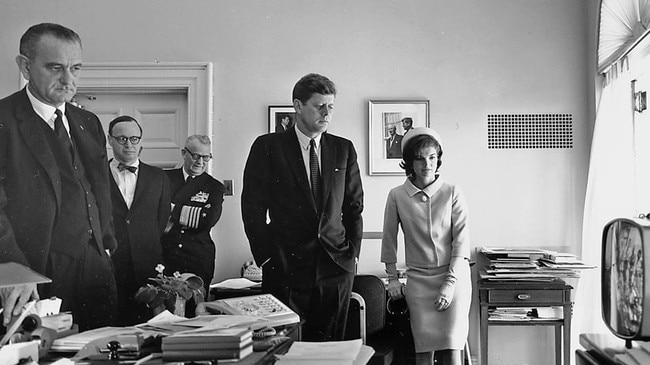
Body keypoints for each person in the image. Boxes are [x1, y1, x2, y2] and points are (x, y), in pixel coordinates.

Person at [0, 23, 118, 330]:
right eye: (56, 68)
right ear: (25, 66)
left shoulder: (87, 121)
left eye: (75, 68)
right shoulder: (3, 121)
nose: (69, 80)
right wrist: (12, 272)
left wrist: (106, 244)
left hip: (96, 270)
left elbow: (100, 188)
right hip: (33, 274)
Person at [242, 73, 364, 341]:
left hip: (335, 267)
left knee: (331, 352)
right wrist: (265, 257)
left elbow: (354, 208)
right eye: (319, 105)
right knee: (286, 350)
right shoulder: (268, 146)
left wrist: (352, 256)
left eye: (330, 106)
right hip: (286, 267)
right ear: (298, 106)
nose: (327, 113)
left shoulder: (343, 149)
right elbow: (252, 207)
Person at [381, 127, 471, 365]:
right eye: (419, 158)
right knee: (422, 352)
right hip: (419, 281)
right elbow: (389, 239)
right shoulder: (397, 195)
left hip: (453, 279)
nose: (427, 164)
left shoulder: (453, 192)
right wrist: (392, 278)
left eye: (432, 157)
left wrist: (450, 285)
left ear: (438, 158)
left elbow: (461, 242)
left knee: (452, 349)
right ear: (409, 161)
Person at [107, 115, 171, 325]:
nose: (129, 144)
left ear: (141, 141)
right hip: (109, 267)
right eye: (122, 139)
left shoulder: (158, 177)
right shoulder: (96, 175)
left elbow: (160, 221)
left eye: (134, 139)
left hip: (148, 267)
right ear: (110, 140)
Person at [161, 135, 225, 294]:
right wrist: (194, 213)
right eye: (195, 156)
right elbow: (152, 214)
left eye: (206, 157)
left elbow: (208, 220)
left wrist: (170, 209)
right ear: (184, 153)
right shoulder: (163, 178)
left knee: (194, 308)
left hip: (197, 256)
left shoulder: (214, 187)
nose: (200, 162)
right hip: (166, 254)